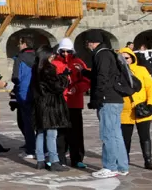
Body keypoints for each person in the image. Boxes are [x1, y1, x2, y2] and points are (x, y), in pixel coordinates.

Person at [83, 29, 128, 179]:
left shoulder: (100, 54)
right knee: (116, 135)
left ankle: (109, 167)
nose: (87, 46)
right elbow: (104, 75)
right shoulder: (108, 53)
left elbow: (102, 77)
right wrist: (85, 72)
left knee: (107, 135)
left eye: (87, 43)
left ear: (92, 42)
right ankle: (122, 167)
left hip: (107, 100)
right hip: (115, 98)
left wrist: (97, 97)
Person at [31, 45, 70, 171]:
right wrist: (64, 77)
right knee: (52, 133)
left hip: (39, 104)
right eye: (51, 54)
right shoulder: (48, 68)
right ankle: (54, 161)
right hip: (50, 104)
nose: (53, 56)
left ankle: (40, 160)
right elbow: (57, 86)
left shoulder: (35, 68)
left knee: (40, 133)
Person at [52, 38, 89, 169]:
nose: (66, 54)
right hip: (61, 103)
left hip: (75, 102)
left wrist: (77, 88)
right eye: (63, 51)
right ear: (59, 51)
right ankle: (61, 157)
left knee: (76, 133)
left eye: (68, 51)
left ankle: (77, 158)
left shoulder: (78, 63)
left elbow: (86, 81)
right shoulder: (55, 64)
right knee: (61, 133)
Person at [119, 46, 152, 171]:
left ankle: (148, 160)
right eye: (122, 58)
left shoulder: (141, 70)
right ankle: (125, 160)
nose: (125, 60)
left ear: (132, 58)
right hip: (125, 111)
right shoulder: (116, 72)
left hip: (142, 108)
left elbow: (150, 88)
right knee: (125, 138)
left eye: (127, 58)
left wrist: (151, 104)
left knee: (145, 136)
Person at [11, 36, 36, 159]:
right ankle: (41, 147)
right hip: (37, 92)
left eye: (20, 43)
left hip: (24, 92)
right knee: (38, 122)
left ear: (24, 44)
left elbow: (16, 77)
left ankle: (31, 148)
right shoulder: (38, 56)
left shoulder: (19, 58)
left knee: (26, 122)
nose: (18, 46)